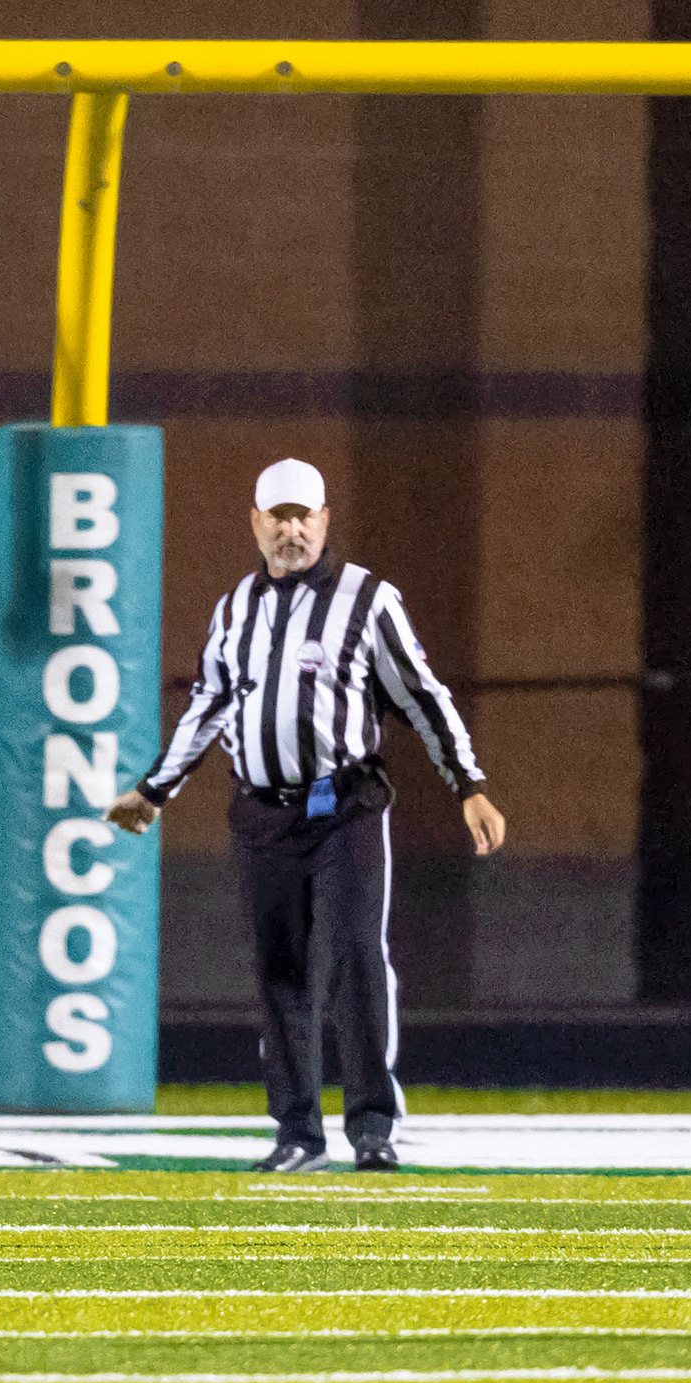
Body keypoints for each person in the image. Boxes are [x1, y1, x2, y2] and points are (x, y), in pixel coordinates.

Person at [108, 458, 504, 1172]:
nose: (291, 529)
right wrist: (155, 789)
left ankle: (372, 1125)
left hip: (344, 805)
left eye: (303, 515)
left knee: (355, 955)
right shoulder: (235, 607)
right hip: (262, 812)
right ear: (255, 522)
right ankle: (297, 1131)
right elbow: (209, 705)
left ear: (324, 520)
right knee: (280, 969)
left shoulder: (368, 599)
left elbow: (422, 696)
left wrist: (468, 784)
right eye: (278, 516)